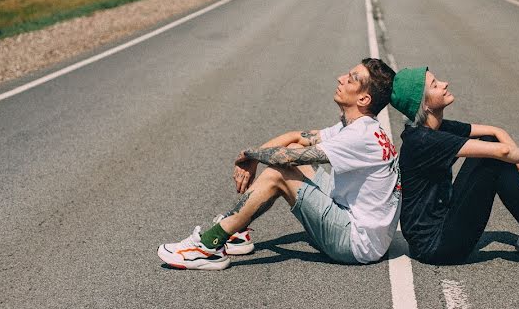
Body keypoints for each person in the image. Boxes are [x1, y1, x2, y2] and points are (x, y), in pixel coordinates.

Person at [158, 58, 400, 270]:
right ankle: (237, 231)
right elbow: (296, 140)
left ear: (364, 98)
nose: (341, 78)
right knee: (294, 150)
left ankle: (207, 247)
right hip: (360, 225)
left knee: (279, 173)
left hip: (356, 243)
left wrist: (249, 155)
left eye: (351, 79)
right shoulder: (358, 126)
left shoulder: (360, 136)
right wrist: (254, 157)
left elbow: (286, 160)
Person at [389, 66, 519, 272]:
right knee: (493, 161)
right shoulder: (423, 141)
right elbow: (503, 152)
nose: (444, 84)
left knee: (490, 146)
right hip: (435, 247)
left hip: (442, 226)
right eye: (435, 85)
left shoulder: (435, 127)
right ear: (424, 105)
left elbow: (496, 132)